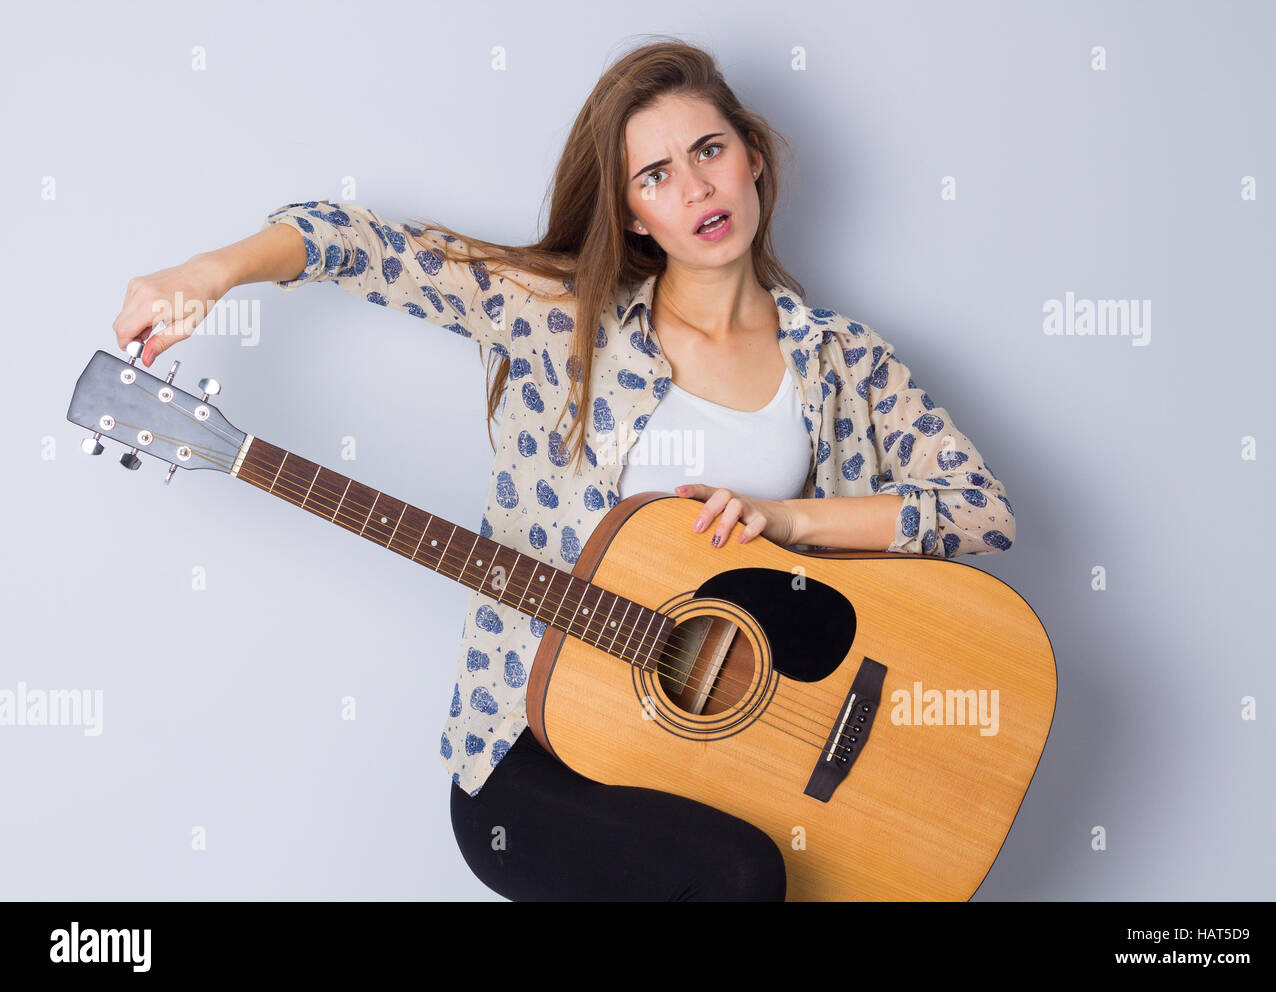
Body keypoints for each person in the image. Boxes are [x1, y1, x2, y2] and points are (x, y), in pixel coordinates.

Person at [110, 38, 1015, 901]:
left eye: (710, 150)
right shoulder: (559, 319)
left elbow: (978, 511)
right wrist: (207, 272)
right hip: (530, 748)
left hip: (714, 757)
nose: (696, 186)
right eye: (656, 175)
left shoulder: (839, 359)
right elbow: (362, 243)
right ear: (630, 212)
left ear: (754, 158)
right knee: (742, 879)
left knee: (751, 869)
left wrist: (789, 521)